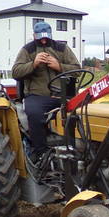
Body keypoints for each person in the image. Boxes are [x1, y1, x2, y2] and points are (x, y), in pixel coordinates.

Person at [11, 21, 81, 163]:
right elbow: (16, 72)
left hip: (62, 95)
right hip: (37, 96)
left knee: (81, 114)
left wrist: (59, 66)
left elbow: (77, 69)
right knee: (35, 114)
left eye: (46, 38)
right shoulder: (27, 50)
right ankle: (41, 153)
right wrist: (33, 64)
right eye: (40, 38)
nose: (44, 40)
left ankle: (77, 150)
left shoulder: (62, 48)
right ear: (34, 36)